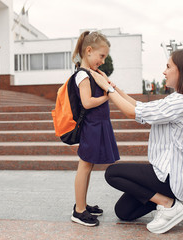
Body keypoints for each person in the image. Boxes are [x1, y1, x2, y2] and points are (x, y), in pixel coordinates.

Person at [90, 49, 183, 234]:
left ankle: (169, 204)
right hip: (175, 174)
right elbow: (139, 106)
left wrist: (107, 88)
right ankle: (180, 201)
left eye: (168, 67)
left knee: (113, 173)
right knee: (124, 212)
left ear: (182, 71)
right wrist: (113, 86)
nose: (164, 71)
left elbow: (132, 113)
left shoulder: (180, 103)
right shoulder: (181, 100)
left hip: (173, 177)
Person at [70, 31, 120, 227]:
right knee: (84, 166)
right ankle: (78, 211)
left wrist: (106, 84)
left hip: (97, 125)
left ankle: (82, 204)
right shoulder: (82, 75)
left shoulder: (93, 73)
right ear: (88, 51)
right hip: (91, 127)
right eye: (101, 56)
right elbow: (87, 102)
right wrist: (108, 94)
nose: (103, 60)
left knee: (87, 166)